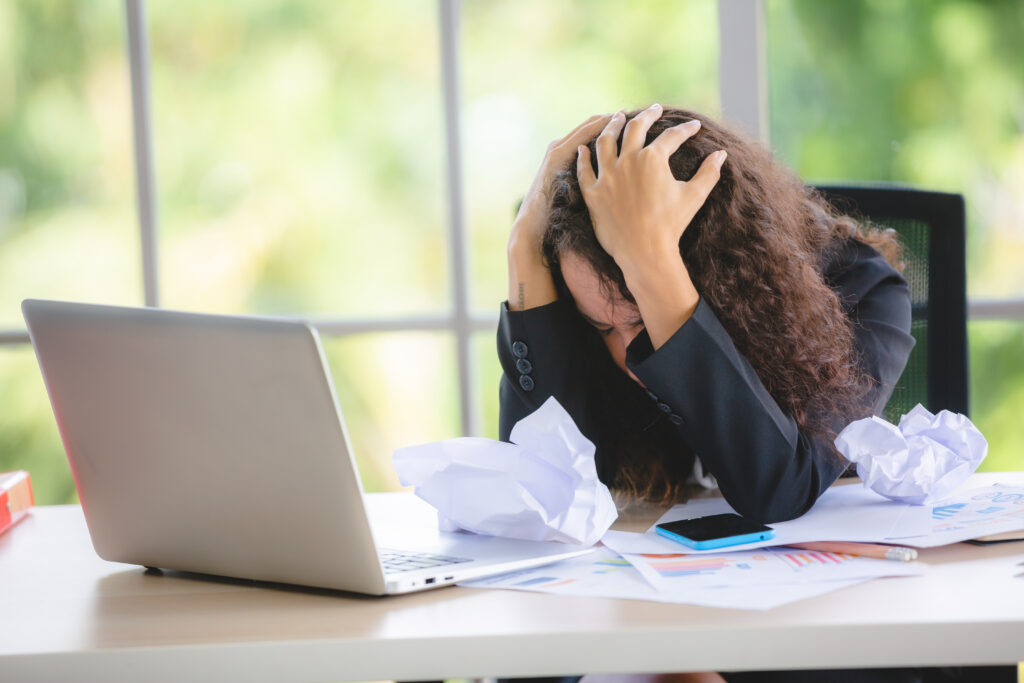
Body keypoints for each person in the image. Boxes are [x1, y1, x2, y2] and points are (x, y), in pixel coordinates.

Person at [495, 105, 1013, 683]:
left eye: (639, 319)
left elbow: (779, 485)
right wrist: (523, 255)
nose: (624, 355)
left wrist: (653, 267)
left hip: (823, 625)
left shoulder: (860, 291)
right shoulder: (589, 301)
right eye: (601, 328)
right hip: (647, 616)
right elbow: (539, 491)